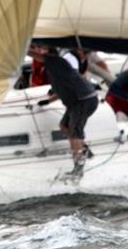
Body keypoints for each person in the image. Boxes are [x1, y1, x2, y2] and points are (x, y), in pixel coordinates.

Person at [27, 43, 98, 176]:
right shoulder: (56, 68)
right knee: (64, 126)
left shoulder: (55, 61)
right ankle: (84, 150)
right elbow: (62, 90)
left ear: (49, 53)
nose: (40, 52)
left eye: (43, 49)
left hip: (84, 100)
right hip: (78, 101)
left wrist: (22, 48)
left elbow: (36, 55)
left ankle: (78, 169)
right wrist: (48, 101)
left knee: (75, 130)